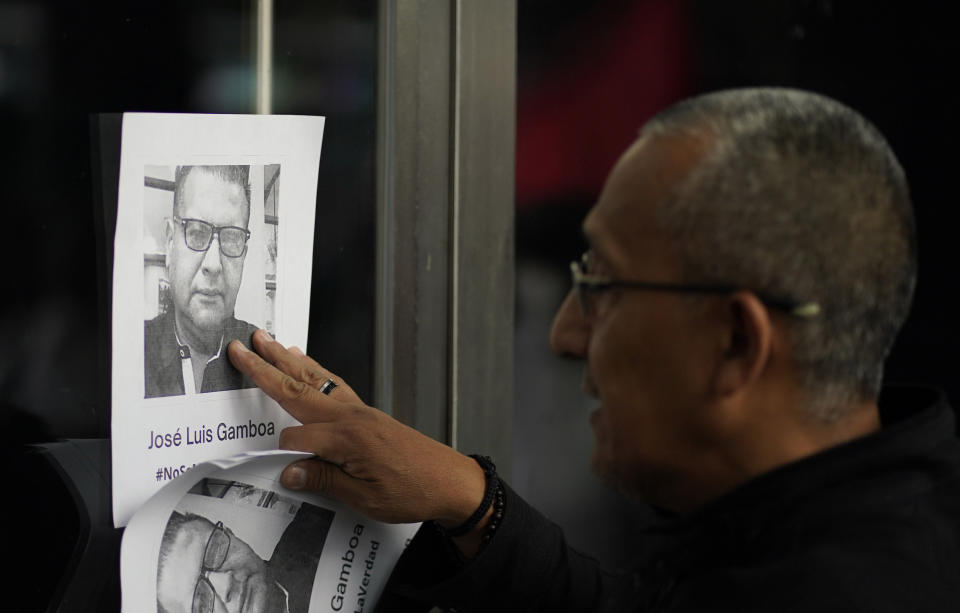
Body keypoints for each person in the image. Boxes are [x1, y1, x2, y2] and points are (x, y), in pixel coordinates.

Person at [227, 88, 960, 611]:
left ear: (737, 342)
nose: (565, 335)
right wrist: (472, 505)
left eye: (603, 285)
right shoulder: (832, 527)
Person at [145, 165, 259, 398]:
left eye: (231, 238)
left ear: (244, 255)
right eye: (196, 232)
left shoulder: (266, 359)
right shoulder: (130, 354)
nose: (213, 264)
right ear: (169, 242)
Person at [156, 503, 333, 613]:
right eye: (201, 605)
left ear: (230, 533)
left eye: (214, 550)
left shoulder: (321, 517)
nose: (226, 583)